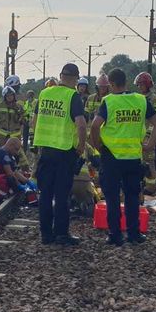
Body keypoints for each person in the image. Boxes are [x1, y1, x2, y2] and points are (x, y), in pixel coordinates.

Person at [91, 68, 156, 245]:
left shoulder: (109, 102)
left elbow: (94, 126)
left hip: (112, 158)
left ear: (112, 84)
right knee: (132, 197)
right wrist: (150, 144)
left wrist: (98, 146)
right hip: (133, 157)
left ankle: (115, 235)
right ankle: (134, 234)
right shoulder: (140, 100)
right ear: (126, 82)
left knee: (113, 197)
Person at [33, 63, 88, 246]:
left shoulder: (44, 93)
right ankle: (62, 234)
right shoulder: (73, 96)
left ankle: (46, 235)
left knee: (46, 194)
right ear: (75, 79)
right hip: (65, 152)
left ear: (61, 76)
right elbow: (81, 124)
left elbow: (34, 121)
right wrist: (81, 146)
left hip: (46, 151)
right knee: (62, 194)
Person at [134, 72, 156, 194]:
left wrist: (150, 135)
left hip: (149, 133)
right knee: (141, 161)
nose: (139, 87)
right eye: (138, 85)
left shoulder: (154, 98)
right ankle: (144, 184)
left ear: (147, 85)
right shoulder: (139, 98)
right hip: (140, 132)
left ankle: (151, 187)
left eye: (141, 85)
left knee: (150, 162)